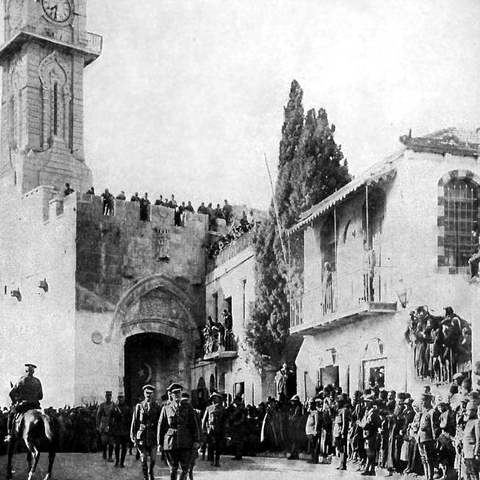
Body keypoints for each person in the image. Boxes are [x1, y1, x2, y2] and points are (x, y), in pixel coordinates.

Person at [157, 383, 200, 480]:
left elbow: (194, 424)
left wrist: (196, 440)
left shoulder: (188, 407)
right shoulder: (166, 408)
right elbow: (161, 426)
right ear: (170, 395)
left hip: (185, 441)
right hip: (171, 442)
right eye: (174, 393)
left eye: (179, 392)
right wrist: (159, 443)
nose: (177, 394)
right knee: (173, 468)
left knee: (185, 468)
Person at [5, 363, 43, 442]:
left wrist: (15, 402)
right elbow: (41, 396)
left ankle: (10, 435)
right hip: (35, 406)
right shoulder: (37, 381)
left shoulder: (21, 380)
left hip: (24, 405)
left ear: (26, 370)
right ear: (33, 372)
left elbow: (11, 393)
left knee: (11, 415)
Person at [131, 384, 161, 480]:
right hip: (142, 436)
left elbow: (160, 422)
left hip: (153, 436)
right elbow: (134, 421)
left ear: (153, 394)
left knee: (153, 459)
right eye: (147, 393)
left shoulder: (157, 406)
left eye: (150, 393)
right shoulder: (139, 406)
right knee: (143, 459)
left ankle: (151, 471)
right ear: (144, 394)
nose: (148, 395)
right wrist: (133, 435)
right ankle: (145, 477)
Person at [202, 392, 228, 467]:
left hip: (220, 429)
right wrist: (203, 429)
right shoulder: (209, 408)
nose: (214, 399)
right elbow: (204, 419)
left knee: (218, 446)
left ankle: (217, 460)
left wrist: (225, 429)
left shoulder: (222, 409)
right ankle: (211, 460)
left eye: (216, 398)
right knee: (211, 445)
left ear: (219, 400)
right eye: (213, 398)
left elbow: (225, 419)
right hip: (211, 429)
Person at [111, 392, 132, 468]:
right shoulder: (115, 408)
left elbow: (131, 419)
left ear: (124, 398)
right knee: (117, 446)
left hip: (125, 430)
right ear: (118, 398)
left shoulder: (127, 408)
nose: (121, 399)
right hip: (117, 429)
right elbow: (111, 418)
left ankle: (122, 462)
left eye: (122, 397)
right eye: (119, 397)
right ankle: (117, 461)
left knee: (124, 447)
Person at [96, 390, 115, 462]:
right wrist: (97, 425)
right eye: (107, 396)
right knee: (104, 441)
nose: (108, 397)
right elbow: (98, 416)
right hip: (103, 425)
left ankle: (110, 456)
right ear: (105, 397)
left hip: (111, 425)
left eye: (110, 396)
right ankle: (104, 453)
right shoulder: (102, 405)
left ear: (111, 396)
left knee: (111, 442)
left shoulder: (114, 405)